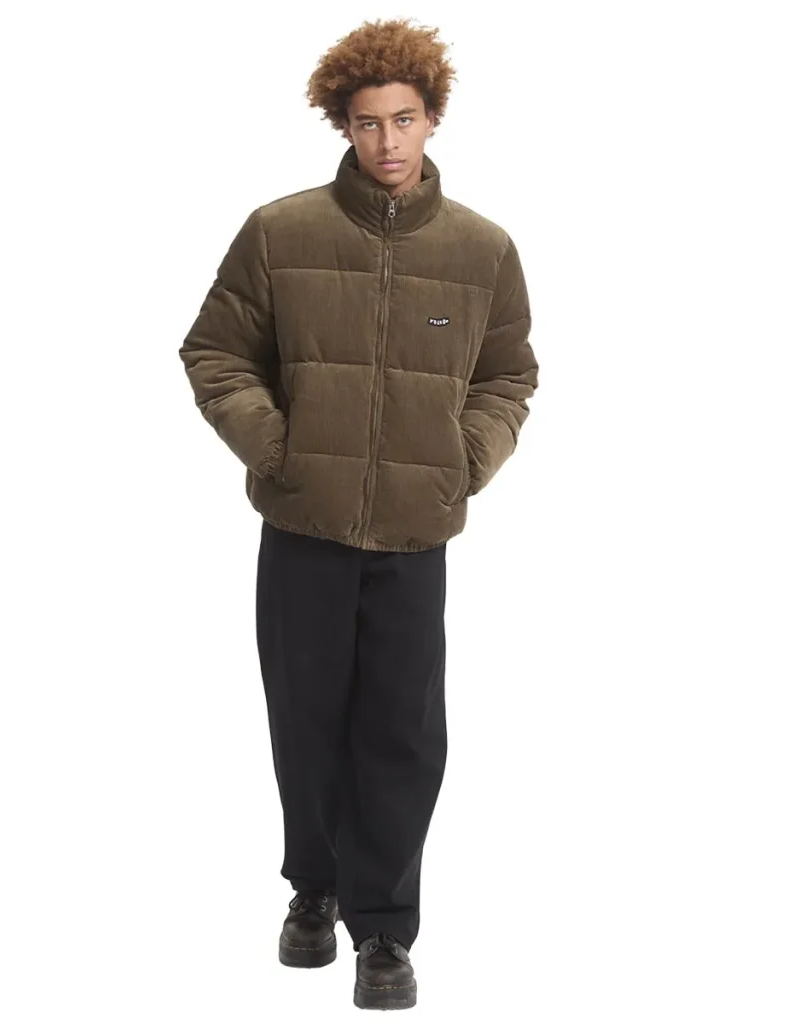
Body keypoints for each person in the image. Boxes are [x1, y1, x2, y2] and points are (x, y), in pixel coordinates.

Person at [178, 17, 539, 1011]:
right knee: (306, 721)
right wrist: (278, 452)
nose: (387, 141)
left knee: (402, 735)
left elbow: (508, 374)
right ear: (342, 124)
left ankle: (383, 929)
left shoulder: (481, 250)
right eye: (369, 122)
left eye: (404, 120)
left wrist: (464, 461)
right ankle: (314, 887)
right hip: (304, 529)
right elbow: (214, 352)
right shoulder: (280, 232)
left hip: (415, 534)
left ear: (432, 119)